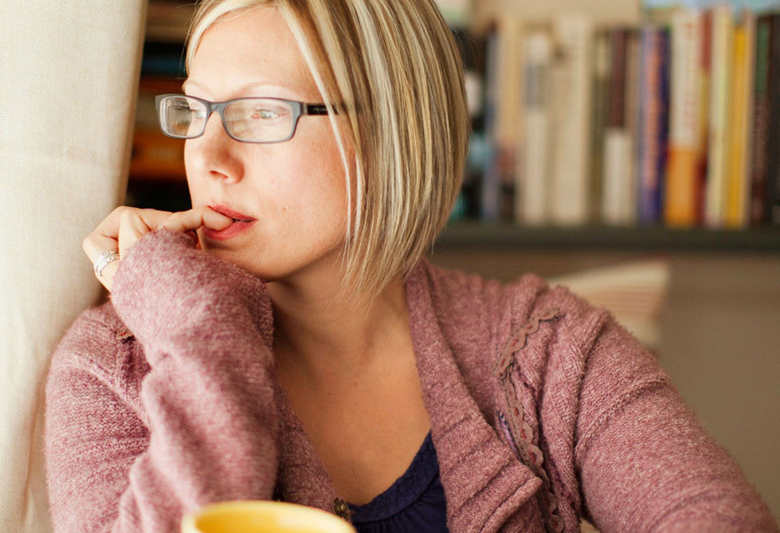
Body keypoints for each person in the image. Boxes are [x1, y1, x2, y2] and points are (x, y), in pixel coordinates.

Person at [44, 1, 777, 532]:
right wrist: (200, 327)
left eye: (262, 114)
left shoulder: (547, 349)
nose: (208, 158)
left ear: (390, 125)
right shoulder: (114, 367)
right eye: (194, 112)